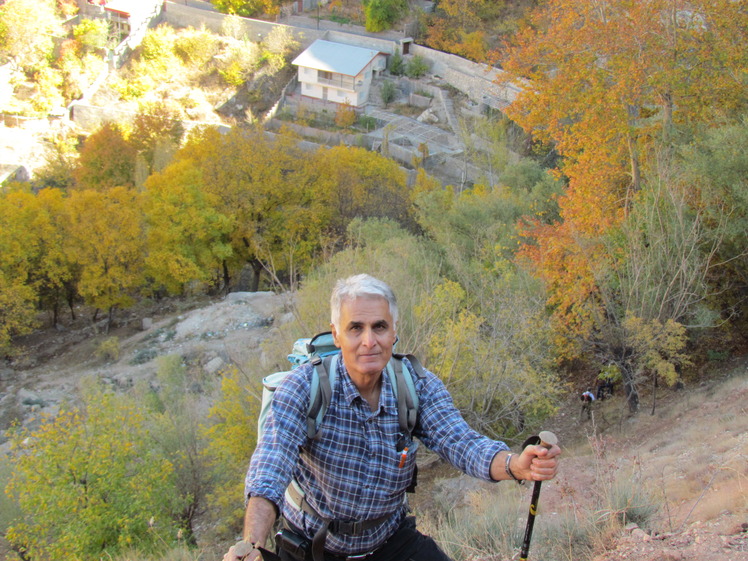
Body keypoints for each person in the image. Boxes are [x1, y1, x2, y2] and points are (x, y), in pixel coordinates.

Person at [224, 274, 561, 561]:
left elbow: (462, 443)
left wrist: (517, 465)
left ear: (394, 332)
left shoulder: (415, 385)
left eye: (379, 327)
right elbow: (270, 468)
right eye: (355, 328)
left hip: (389, 540)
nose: (369, 341)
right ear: (337, 333)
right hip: (312, 546)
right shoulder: (304, 389)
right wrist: (251, 543)